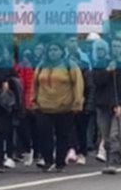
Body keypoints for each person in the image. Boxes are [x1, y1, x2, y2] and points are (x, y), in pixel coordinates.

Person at [32, 42, 84, 172]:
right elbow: (35, 84)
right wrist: (33, 100)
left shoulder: (69, 65)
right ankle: (48, 161)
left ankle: (60, 162)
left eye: (56, 50)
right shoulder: (42, 65)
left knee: (62, 136)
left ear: (62, 51)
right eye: (50, 50)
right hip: (43, 107)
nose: (52, 53)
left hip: (64, 107)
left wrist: (77, 102)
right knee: (44, 135)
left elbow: (77, 84)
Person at [89, 41, 121, 168]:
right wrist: (107, 71)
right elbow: (96, 81)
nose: (116, 49)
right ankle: (109, 158)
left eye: (118, 46)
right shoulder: (101, 65)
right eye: (113, 46)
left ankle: (113, 160)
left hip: (117, 106)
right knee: (106, 136)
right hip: (102, 105)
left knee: (115, 135)